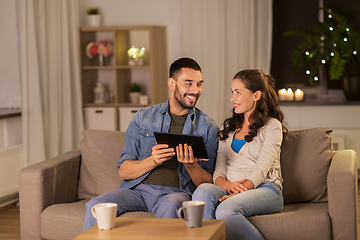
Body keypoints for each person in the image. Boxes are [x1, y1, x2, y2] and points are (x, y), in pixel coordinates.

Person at [83, 57, 219, 231]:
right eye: (188, 83)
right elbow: (124, 172)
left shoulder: (208, 127)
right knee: (96, 204)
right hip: (137, 191)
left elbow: (208, 184)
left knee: (170, 207)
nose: (195, 90)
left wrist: (191, 165)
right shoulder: (143, 117)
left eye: (199, 84)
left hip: (175, 193)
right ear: (172, 83)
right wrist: (153, 160)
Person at [192, 69, 286, 240]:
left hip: (266, 189)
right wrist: (227, 186)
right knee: (202, 192)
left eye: (238, 92)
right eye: (232, 92)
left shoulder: (272, 126)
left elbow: (262, 168)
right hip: (230, 188)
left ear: (256, 95)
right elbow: (219, 169)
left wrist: (241, 191)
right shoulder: (227, 128)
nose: (232, 98)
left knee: (226, 210)